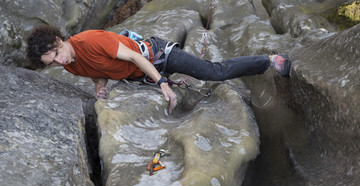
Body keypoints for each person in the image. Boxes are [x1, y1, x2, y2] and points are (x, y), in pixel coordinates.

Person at [27, 25, 291, 113]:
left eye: (56, 53)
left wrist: (162, 81)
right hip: (140, 76)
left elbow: (134, 57)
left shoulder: (91, 40)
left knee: (214, 72)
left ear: (59, 40)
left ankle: (269, 60)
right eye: (52, 61)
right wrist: (100, 87)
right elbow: (96, 70)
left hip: (157, 56)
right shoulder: (70, 65)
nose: (59, 61)